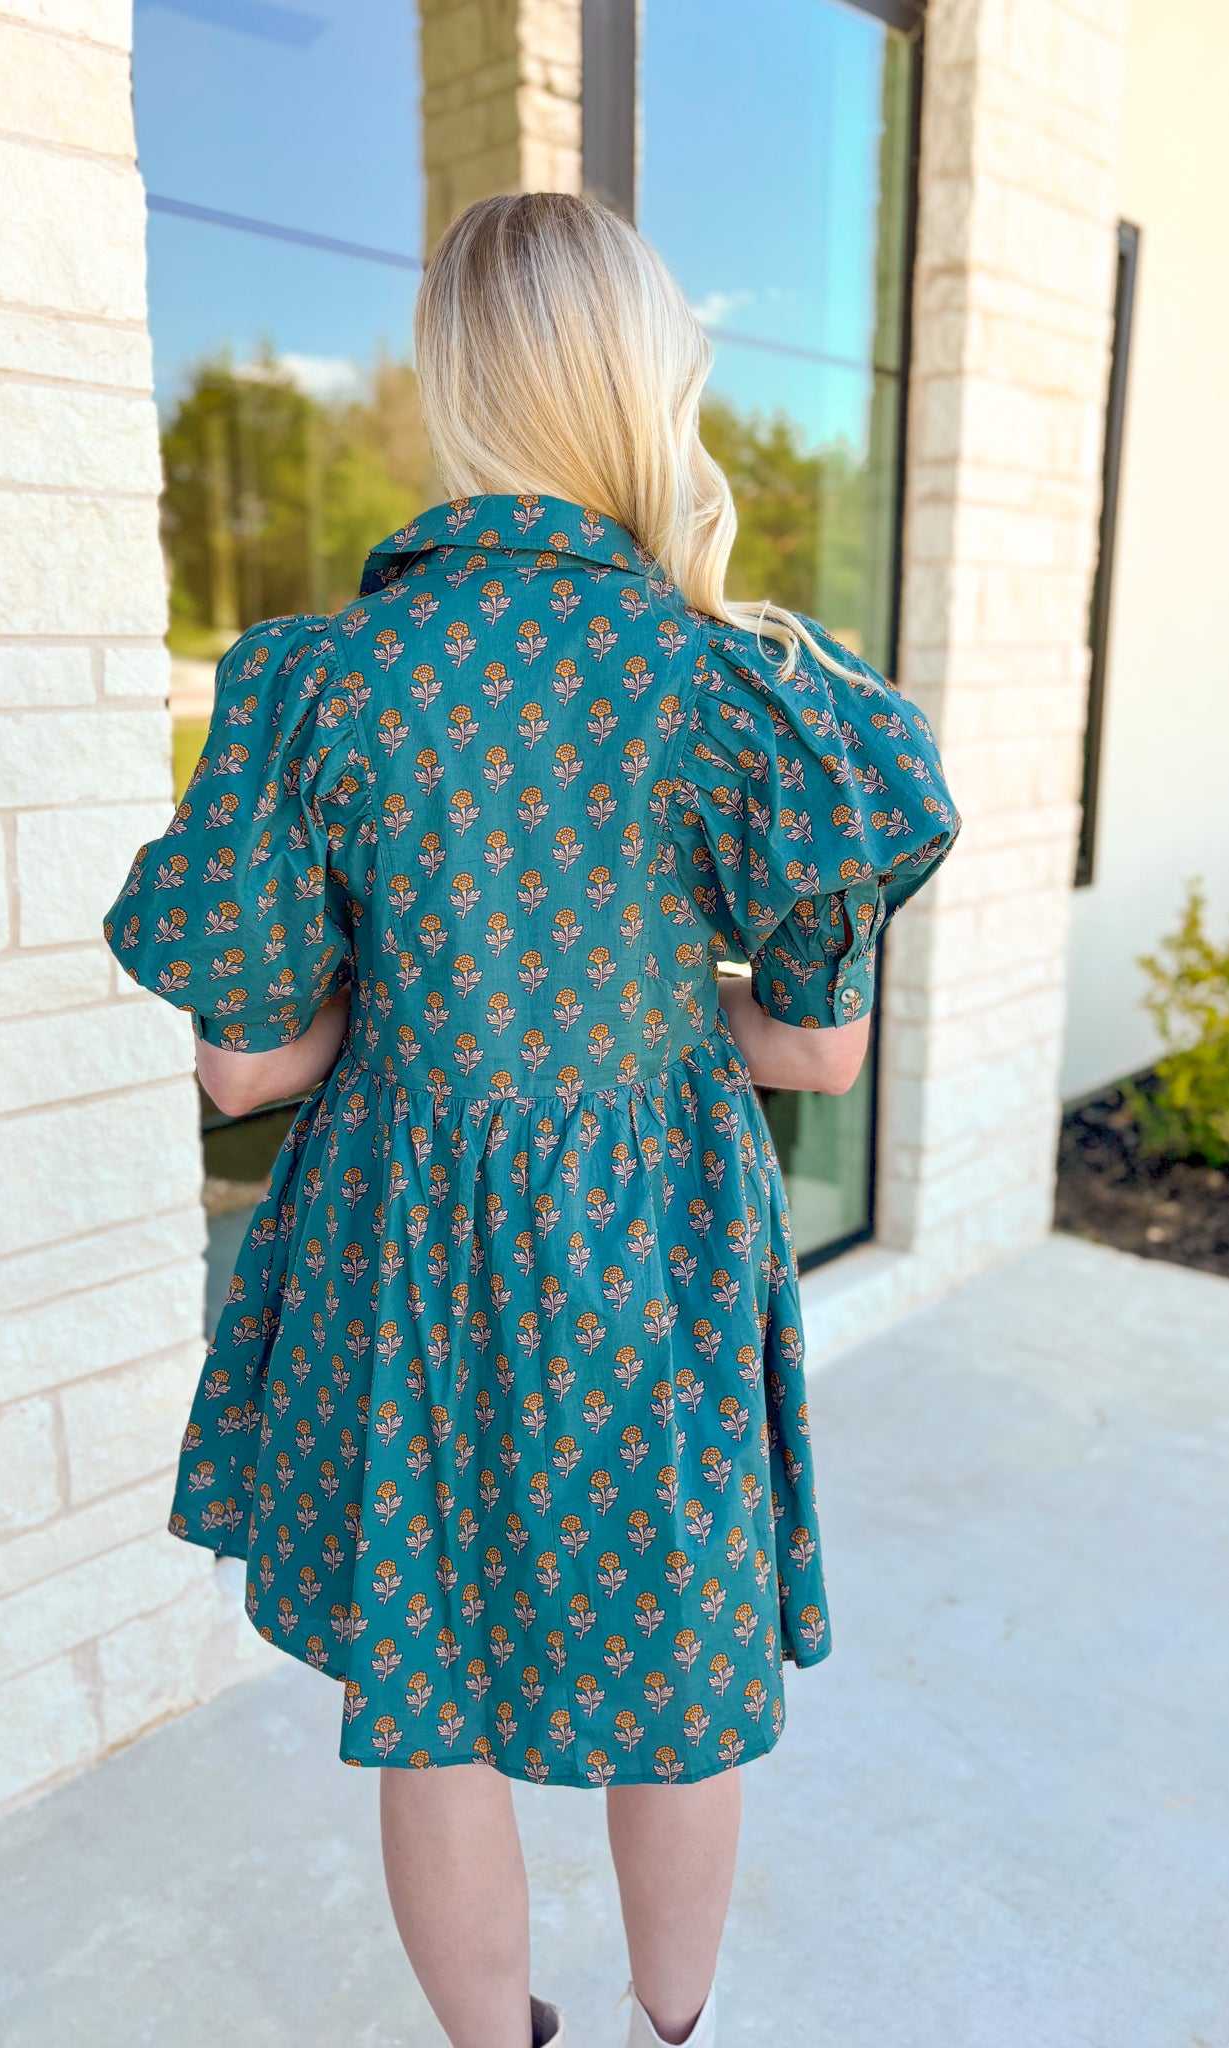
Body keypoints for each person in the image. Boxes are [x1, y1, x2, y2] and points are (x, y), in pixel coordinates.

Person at [104, 191, 958, 2048]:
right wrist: (660, 1015)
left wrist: (394, 1020)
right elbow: (814, 1058)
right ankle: (675, 2033)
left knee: (435, 1699)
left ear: (455, 393)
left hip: (398, 1260)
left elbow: (242, 1067)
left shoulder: (322, 685)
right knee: (675, 1672)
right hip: (651, 1259)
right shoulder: (739, 689)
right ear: (646, 386)